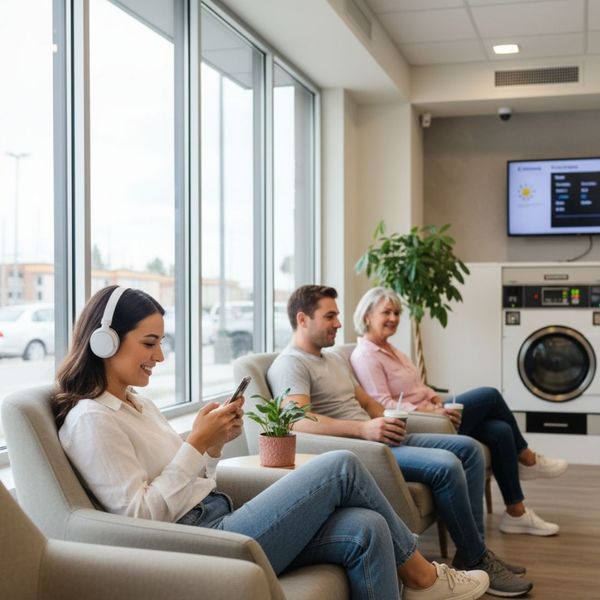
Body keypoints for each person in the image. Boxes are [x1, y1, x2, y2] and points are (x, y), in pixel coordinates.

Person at [52, 285, 490, 600]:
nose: (160, 357)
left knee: (367, 527)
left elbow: (189, 480)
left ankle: (421, 580)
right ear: (104, 341)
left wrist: (211, 444)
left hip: (221, 515)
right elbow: (140, 517)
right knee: (341, 467)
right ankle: (425, 578)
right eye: (149, 343)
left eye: (161, 343)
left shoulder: (135, 404)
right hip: (202, 541)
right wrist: (194, 446)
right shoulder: (91, 419)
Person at [267, 284, 534, 598]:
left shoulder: (333, 359)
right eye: (330, 316)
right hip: (361, 448)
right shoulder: (291, 363)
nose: (339, 323)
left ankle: (473, 551)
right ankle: (476, 557)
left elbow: (368, 403)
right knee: (447, 464)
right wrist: (364, 431)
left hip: (380, 436)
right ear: (302, 319)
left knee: (470, 449)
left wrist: (388, 419)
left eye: (337, 315)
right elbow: (298, 421)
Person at [350, 287, 568, 538]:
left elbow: (419, 387)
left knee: (500, 430)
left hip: (435, 412)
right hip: (423, 423)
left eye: (397, 312)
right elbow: (385, 404)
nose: (394, 318)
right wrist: (432, 411)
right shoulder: (365, 355)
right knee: (490, 395)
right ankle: (528, 459)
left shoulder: (393, 350)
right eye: (386, 312)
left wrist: (434, 399)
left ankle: (516, 513)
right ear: (366, 316)